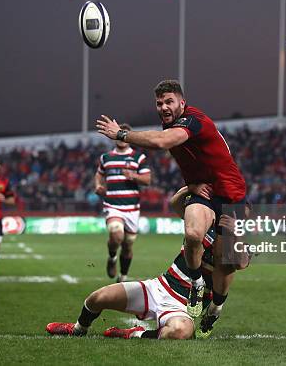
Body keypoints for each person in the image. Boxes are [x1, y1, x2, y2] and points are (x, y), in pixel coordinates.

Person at [96, 79, 247, 317]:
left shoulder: (192, 120)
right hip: (203, 192)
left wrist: (122, 134)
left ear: (182, 103)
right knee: (193, 234)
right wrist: (192, 186)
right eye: (159, 103)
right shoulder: (172, 125)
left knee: (232, 262)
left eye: (169, 102)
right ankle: (196, 284)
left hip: (231, 196)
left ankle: (216, 308)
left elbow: (161, 141)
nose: (163, 107)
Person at [45, 185, 250, 339]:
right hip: (160, 287)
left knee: (180, 331)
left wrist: (236, 231)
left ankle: (135, 334)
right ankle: (79, 329)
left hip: (183, 306)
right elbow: (176, 205)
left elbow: (241, 263)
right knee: (97, 298)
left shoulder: (239, 237)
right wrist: (191, 187)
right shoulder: (205, 221)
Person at [94, 124, 151, 282]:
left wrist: (133, 176)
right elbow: (98, 175)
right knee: (116, 235)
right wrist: (98, 186)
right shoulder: (106, 158)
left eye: (125, 134)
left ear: (129, 137)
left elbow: (147, 180)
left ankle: (123, 276)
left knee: (127, 246)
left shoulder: (138, 157)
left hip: (132, 208)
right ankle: (112, 258)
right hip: (113, 205)